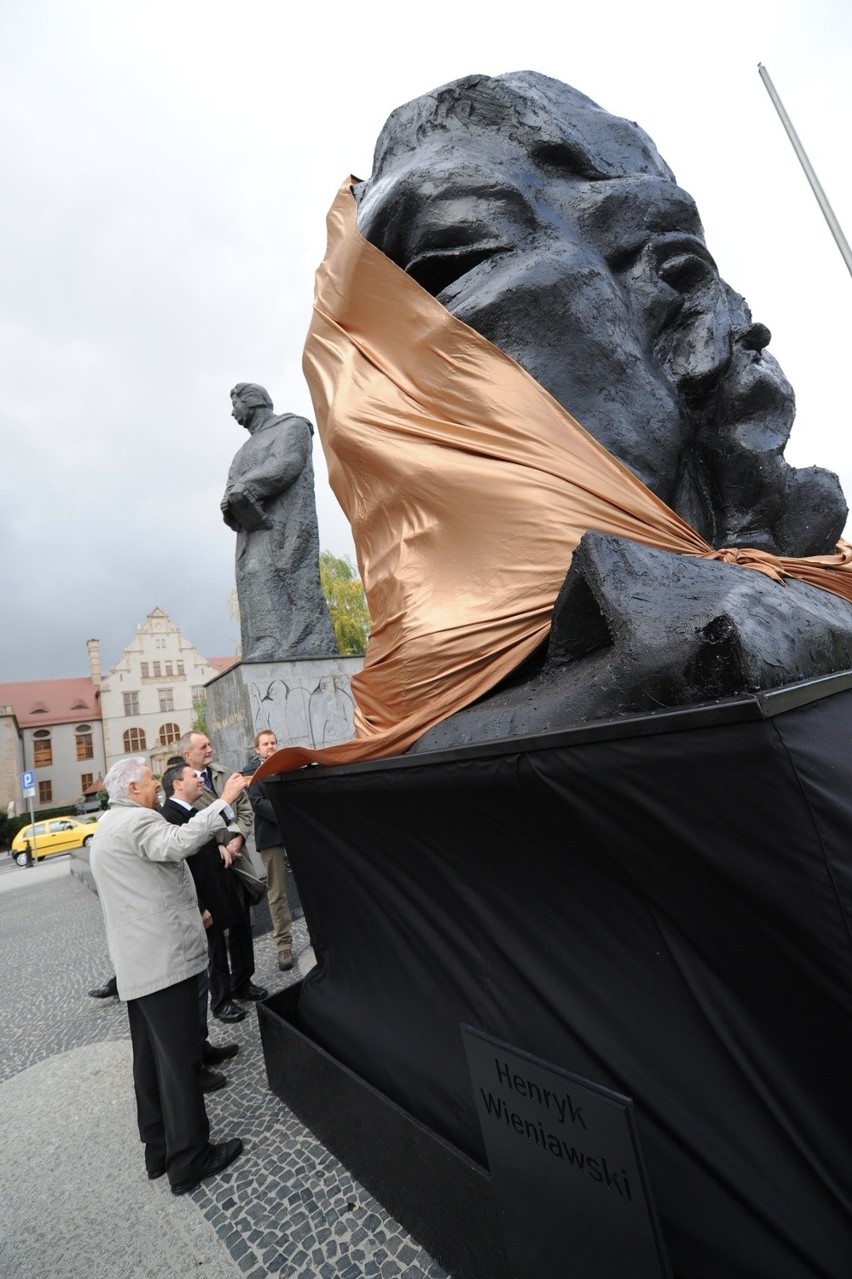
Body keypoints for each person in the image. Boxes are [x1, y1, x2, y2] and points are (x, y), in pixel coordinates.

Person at [89, 756, 248, 1194]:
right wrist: (225, 803)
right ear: (132, 789)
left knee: (149, 1064)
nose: (156, 788)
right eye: (148, 782)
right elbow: (177, 843)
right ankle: (190, 1159)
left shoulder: (108, 826)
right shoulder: (137, 822)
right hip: (162, 963)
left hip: (138, 966)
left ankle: (158, 1151)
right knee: (179, 1063)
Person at [221, 382, 336, 662]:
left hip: (286, 522)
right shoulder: (242, 452)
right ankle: (267, 642)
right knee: (251, 575)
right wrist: (229, 502)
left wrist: (246, 486)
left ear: (252, 402)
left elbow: (287, 465)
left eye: (235, 405)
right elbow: (231, 484)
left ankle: (304, 639)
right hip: (253, 529)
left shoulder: (292, 427)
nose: (232, 413)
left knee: (283, 574)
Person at [160, 761, 244, 1082]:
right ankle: (194, 1063)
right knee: (197, 985)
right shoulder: (169, 817)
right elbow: (182, 870)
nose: (199, 778)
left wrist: (221, 843)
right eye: (193, 776)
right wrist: (200, 907)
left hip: (211, 903)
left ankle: (202, 1045)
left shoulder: (192, 810)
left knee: (204, 980)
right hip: (200, 911)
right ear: (178, 785)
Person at [176, 731, 268, 1014]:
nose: (209, 749)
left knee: (242, 923)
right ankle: (222, 997)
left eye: (210, 744)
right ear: (187, 755)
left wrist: (237, 839)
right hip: (212, 866)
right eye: (202, 746)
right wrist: (220, 845)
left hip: (237, 861)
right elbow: (192, 824)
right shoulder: (185, 786)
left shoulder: (224, 773)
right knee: (217, 936)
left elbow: (245, 809)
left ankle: (243, 982)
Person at [245, 731, 293, 971]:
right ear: (257, 749)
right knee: (278, 893)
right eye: (265, 744)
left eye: (273, 742)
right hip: (271, 836)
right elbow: (257, 803)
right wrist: (287, 815)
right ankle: (283, 944)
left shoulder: (285, 765)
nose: (270, 746)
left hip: (295, 833)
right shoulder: (251, 773)